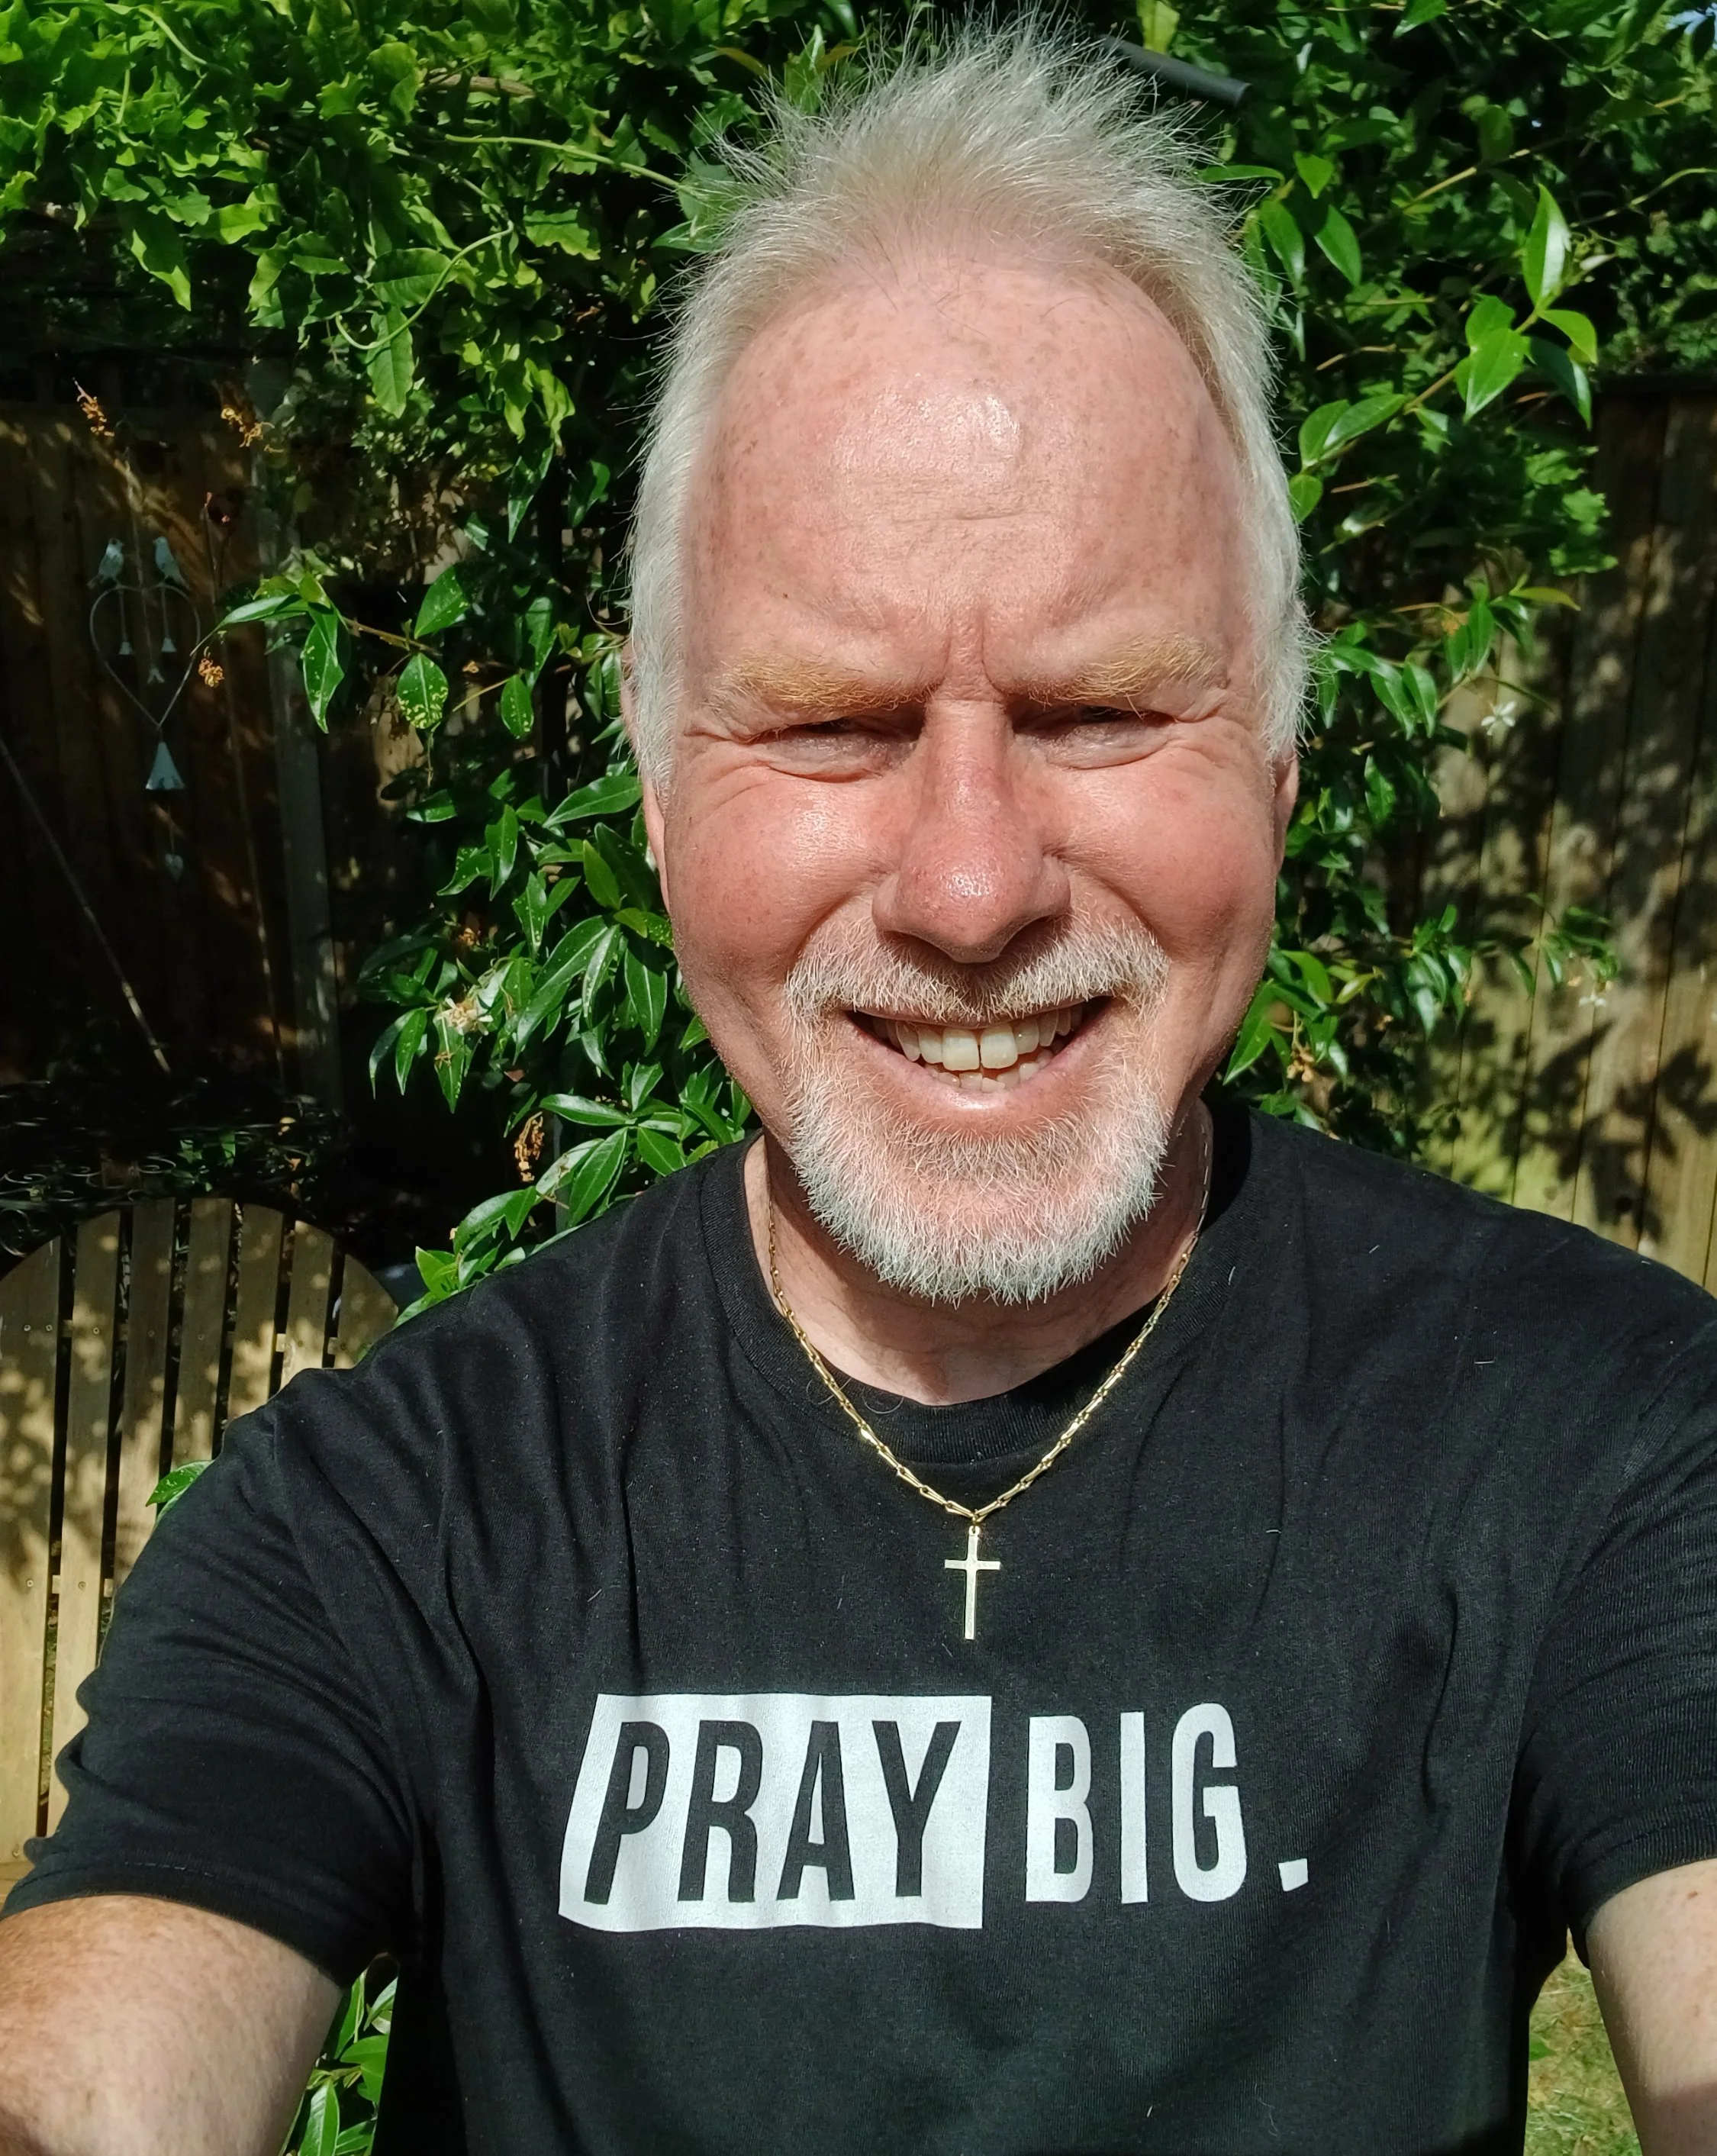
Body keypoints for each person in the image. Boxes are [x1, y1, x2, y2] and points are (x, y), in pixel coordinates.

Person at [4, 29, 1716, 2156]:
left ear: (1276, 766)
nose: (974, 885)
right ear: (653, 787)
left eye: (1100, 710)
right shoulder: (387, 1519)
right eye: (827, 725)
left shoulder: (1606, 1441)